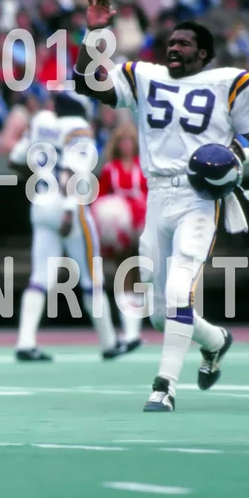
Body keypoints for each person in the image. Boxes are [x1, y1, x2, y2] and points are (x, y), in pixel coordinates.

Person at [72, 0, 249, 412]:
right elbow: (85, 82)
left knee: (180, 289)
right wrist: (95, 32)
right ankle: (216, 340)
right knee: (157, 313)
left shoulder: (229, 84)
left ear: (203, 53)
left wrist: (241, 154)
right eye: (170, 43)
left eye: (183, 44)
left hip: (199, 197)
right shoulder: (146, 77)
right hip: (157, 196)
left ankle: (163, 386)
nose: (174, 49)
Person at [7, 93, 135, 362]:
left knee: (40, 277)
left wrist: (41, 179)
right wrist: (67, 210)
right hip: (70, 206)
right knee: (92, 278)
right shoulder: (79, 127)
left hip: (40, 201)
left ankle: (25, 341)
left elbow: (15, 159)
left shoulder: (40, 121)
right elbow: (72, 174)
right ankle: (110, 342)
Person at [97, 122, 147, 348]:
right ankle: (129, 332)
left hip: (143, 225)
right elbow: (99, 197)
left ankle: (137, 330)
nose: (126, 144)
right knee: (124, 272)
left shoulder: (143, 165)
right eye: (122, 140)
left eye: (130, 140)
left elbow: (151, 193)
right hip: (120, 229)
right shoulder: (111, 168)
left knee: (143, 273)